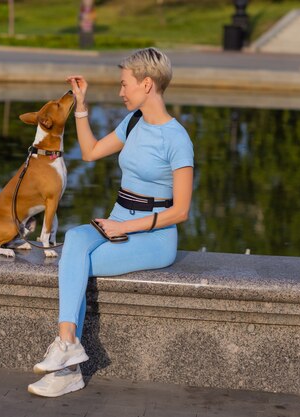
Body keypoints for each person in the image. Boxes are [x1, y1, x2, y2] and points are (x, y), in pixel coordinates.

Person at [27, 47, 194, 397]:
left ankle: (68, 368)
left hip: (153, 237)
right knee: (74, 238)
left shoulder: (177, 139)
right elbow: (90, 153)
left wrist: (125, 228)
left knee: (78, 262)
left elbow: (181, 211)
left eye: (124, 84)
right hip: (115, 219)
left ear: (147, 84)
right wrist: (81, 106)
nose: (120, 92)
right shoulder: (133, 122)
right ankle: (68, 345)